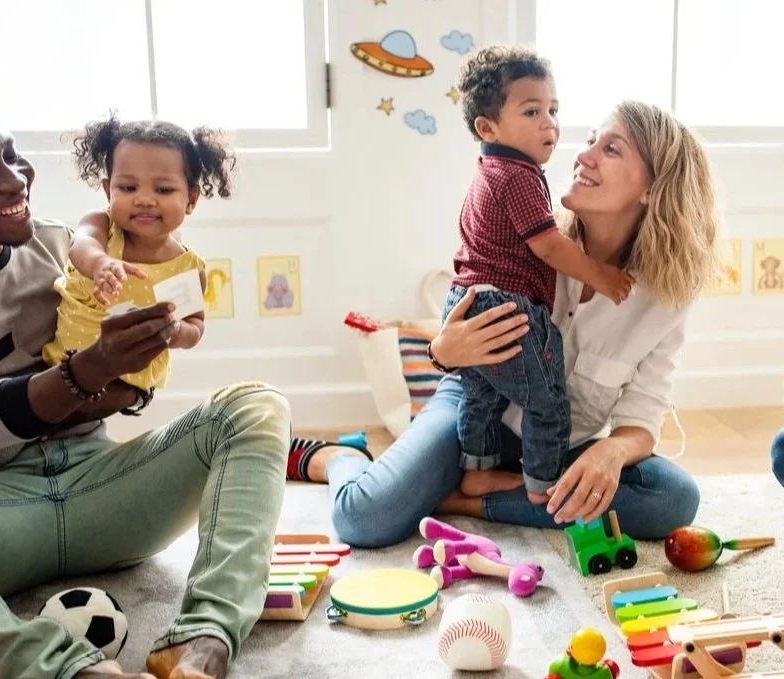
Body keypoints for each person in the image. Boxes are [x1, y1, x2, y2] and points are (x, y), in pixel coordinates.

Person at [0, 81, 290, 679]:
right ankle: (61, 670)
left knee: (257, 405)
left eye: (10, 154)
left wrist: (149, 355)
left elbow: (137, 375)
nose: (15, 178)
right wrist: (88, 372)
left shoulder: (59, 246)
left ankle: (205, 639)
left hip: (102, 489)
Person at [289, 100, 719, 545]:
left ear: (652, 187)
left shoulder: (665, 297)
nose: (583, 155)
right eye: (591, 140)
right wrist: (443, 351)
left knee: (673, 497)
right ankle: (337, 457)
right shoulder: (530, 236)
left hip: (564, 445)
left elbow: (642, 416)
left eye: (611, 150)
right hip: (477, 412)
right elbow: (453, 329)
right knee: (364, 519)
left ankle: (464, 502)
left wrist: (613, 450)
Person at [444, 45, 634, 504]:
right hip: (502, 305)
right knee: (547, 399)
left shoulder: (489, 170)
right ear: (487, 127)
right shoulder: (518, 175)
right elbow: (548, 245)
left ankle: (477, 471)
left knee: (481, 396)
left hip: (465, 300)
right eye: (532, 111)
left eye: (552, 109)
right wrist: (603, 277)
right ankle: (543, 486)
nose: (549, 122)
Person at [43, 116, 233, 397]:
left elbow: (196, 323)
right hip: (66, 369)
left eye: (163, 189)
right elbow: (80, 245)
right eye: (128, 188)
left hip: (129, 383)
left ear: (191, 199)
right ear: (109, 191)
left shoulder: (186, 269)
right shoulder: (102, 226)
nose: (144, 199)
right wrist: (100, 263)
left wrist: (178, 331)